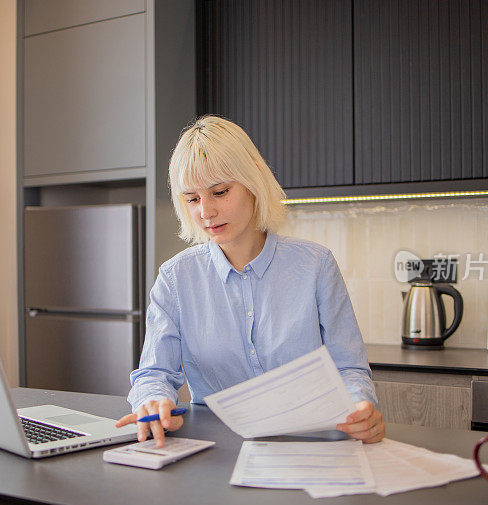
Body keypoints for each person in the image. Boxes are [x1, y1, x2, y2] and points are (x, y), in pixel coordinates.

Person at [116, 116, 384, 447]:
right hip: (218, 451)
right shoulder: (175, 279)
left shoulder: (316, 266)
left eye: (219, 192)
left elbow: (350, 369)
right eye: (192, 198)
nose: (206, 211)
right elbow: (155, 374)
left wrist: (360, 406)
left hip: (310, 443)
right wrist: (153, 400)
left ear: (253, 182)